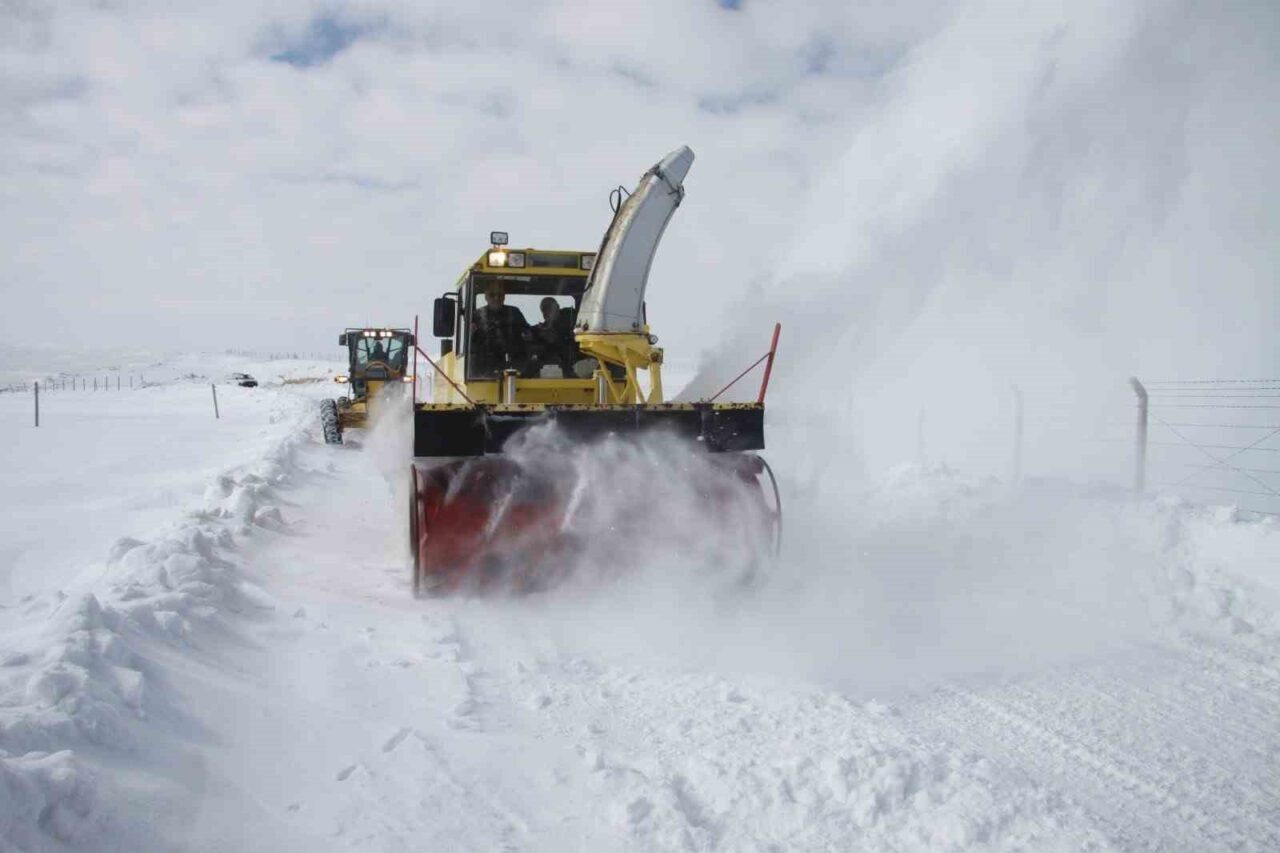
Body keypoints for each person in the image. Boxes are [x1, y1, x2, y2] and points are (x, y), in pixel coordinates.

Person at [471, 280, 529, 375]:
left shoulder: (514, 312)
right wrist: (472, 333)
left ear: (504, 296)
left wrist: (528, 334)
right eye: (492, 295)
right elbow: (469, 342)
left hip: (514, 367)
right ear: (486, 296)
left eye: (500, 295)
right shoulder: (476, 316)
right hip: (484, 371)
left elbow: (527, 331)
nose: (496, 298)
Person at [531, 297, 576, 376]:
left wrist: (555, 339)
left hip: (574, 371)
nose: (546, 313)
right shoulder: (541, 330)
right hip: (548, 371)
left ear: (558, 307)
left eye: (548, 308)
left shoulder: (572, 319)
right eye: (543, 310)